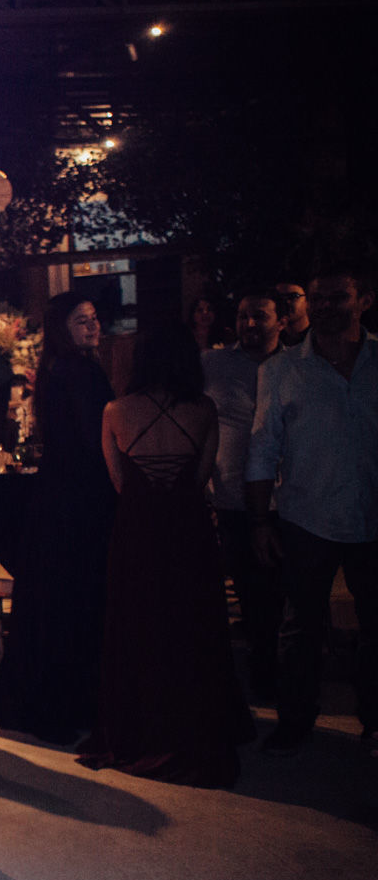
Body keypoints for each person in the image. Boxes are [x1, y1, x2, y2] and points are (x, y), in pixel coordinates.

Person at [78, 325, 248, 785]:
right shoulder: (204, 410)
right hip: (186, 530)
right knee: (190, 626)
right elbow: (200, 477)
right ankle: (191, 721)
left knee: (138, 625)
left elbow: (119, 481)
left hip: (137, 532)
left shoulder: (115, 410)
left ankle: (141, 726)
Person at [246, 272, 378, 755]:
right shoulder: (280, 371)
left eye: (336, 297)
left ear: (363, 300)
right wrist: (261, 520)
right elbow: (262, 449)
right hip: (308, 517)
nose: (324, 306)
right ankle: (296, 719)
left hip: (373, 515)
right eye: (316, 298)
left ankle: (374, 716)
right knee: (301, 626)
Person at [0, 293, 117, 742]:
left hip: (60, 493)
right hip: (78, 498)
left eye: (95, 319)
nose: (93, 327)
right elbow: (93, 439)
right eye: (82, 321)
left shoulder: (62, 370)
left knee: (61, 598)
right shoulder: (77, 372)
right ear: (63, 328)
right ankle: (72, 699)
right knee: (75, 597)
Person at [202, 292, 284, 699]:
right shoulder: (213, 364)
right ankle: (262, 676)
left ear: (280, 322)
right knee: (250, 596)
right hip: (233, 500)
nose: (250, 324)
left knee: (288, 596)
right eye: (242, 316)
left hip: (290, 502)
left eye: (260, 316)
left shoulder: (296, 365)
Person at [274, 282, 309, 349]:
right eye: (279, 297)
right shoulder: (272, 339)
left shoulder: (319, 337)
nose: (285, 302)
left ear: (307, 300)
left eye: (293, 296)